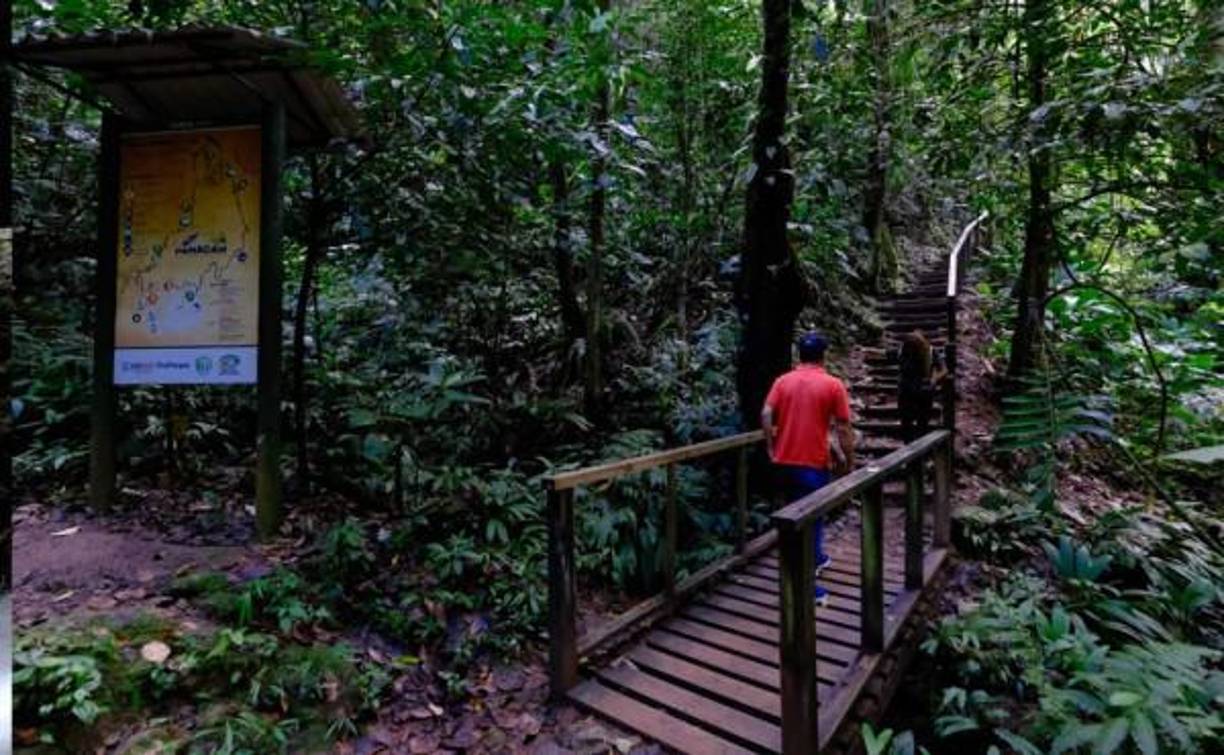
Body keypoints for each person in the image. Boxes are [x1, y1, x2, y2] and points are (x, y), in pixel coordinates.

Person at [761, 332, 855, 607]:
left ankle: (814, 559)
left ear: (799, 354)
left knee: (794, 516)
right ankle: (806, 587)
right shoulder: (832, 385)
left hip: (784, 462)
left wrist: (770, 445)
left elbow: (766, 413)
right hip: (812, 464)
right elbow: (844, 427)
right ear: (823, 355)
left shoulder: (783, 381)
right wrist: (848, 461)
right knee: (811, 522)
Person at [896, 330, 947, 442]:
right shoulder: (903, 350)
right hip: (906, 391)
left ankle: (918, 449)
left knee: (921, 423)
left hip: (922, 391)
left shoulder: (930, 352)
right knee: (907, 423)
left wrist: (934, 379)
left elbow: (943, 369)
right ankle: (909, 448)